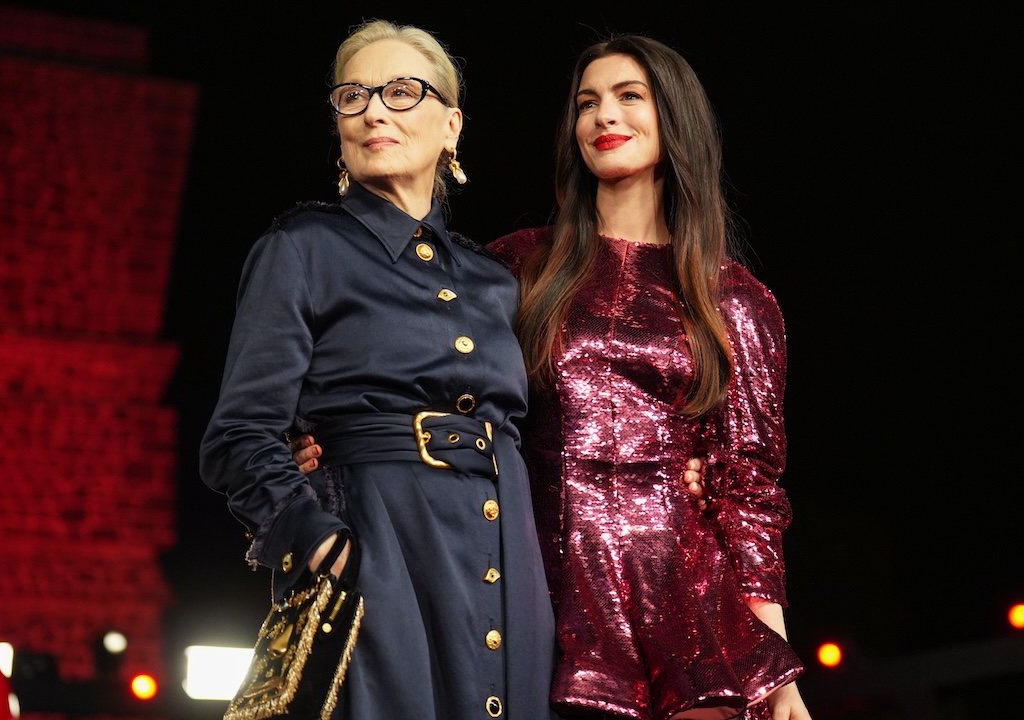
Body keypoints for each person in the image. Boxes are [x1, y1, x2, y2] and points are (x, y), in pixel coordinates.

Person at [198, 20, 554, 720]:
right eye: (352, 96)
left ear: (451, 125)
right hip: (380, 554)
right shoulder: (301, 247)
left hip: (508, 561)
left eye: (398, 91)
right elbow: (238, 435)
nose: (373, 112)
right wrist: (325, 544)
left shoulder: (497, 281)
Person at [486, 36, 812, 720]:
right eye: (587, 103)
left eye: (629, 97)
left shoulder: (736, 299)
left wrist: (779, 674)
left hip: (688, 610)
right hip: (537, 591)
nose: (604, 116)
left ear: (674, 119)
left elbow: (748, 492)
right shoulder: (515, 268)